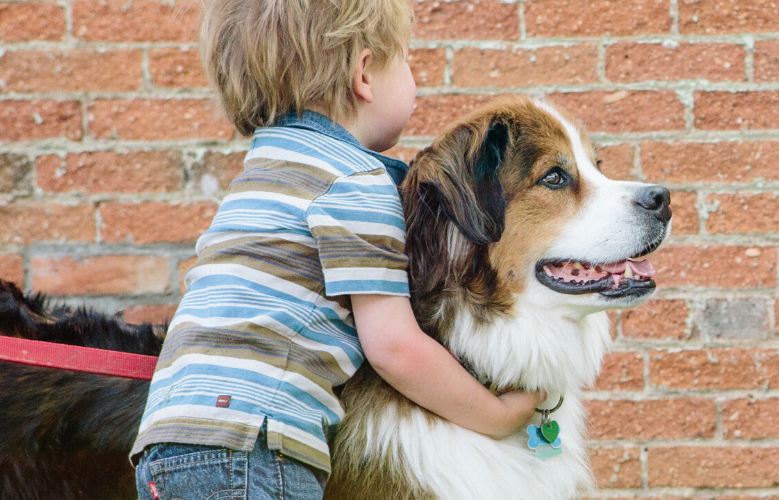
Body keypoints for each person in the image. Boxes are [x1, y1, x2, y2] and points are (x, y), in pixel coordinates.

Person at [129, 0, 543, 497]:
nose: (414, 80)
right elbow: (395, 349)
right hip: (254, 448)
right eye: (407, 61)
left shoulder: (262, 172)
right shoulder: (353, 184)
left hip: (165, 446)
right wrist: (495, 416)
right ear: (364, 74)